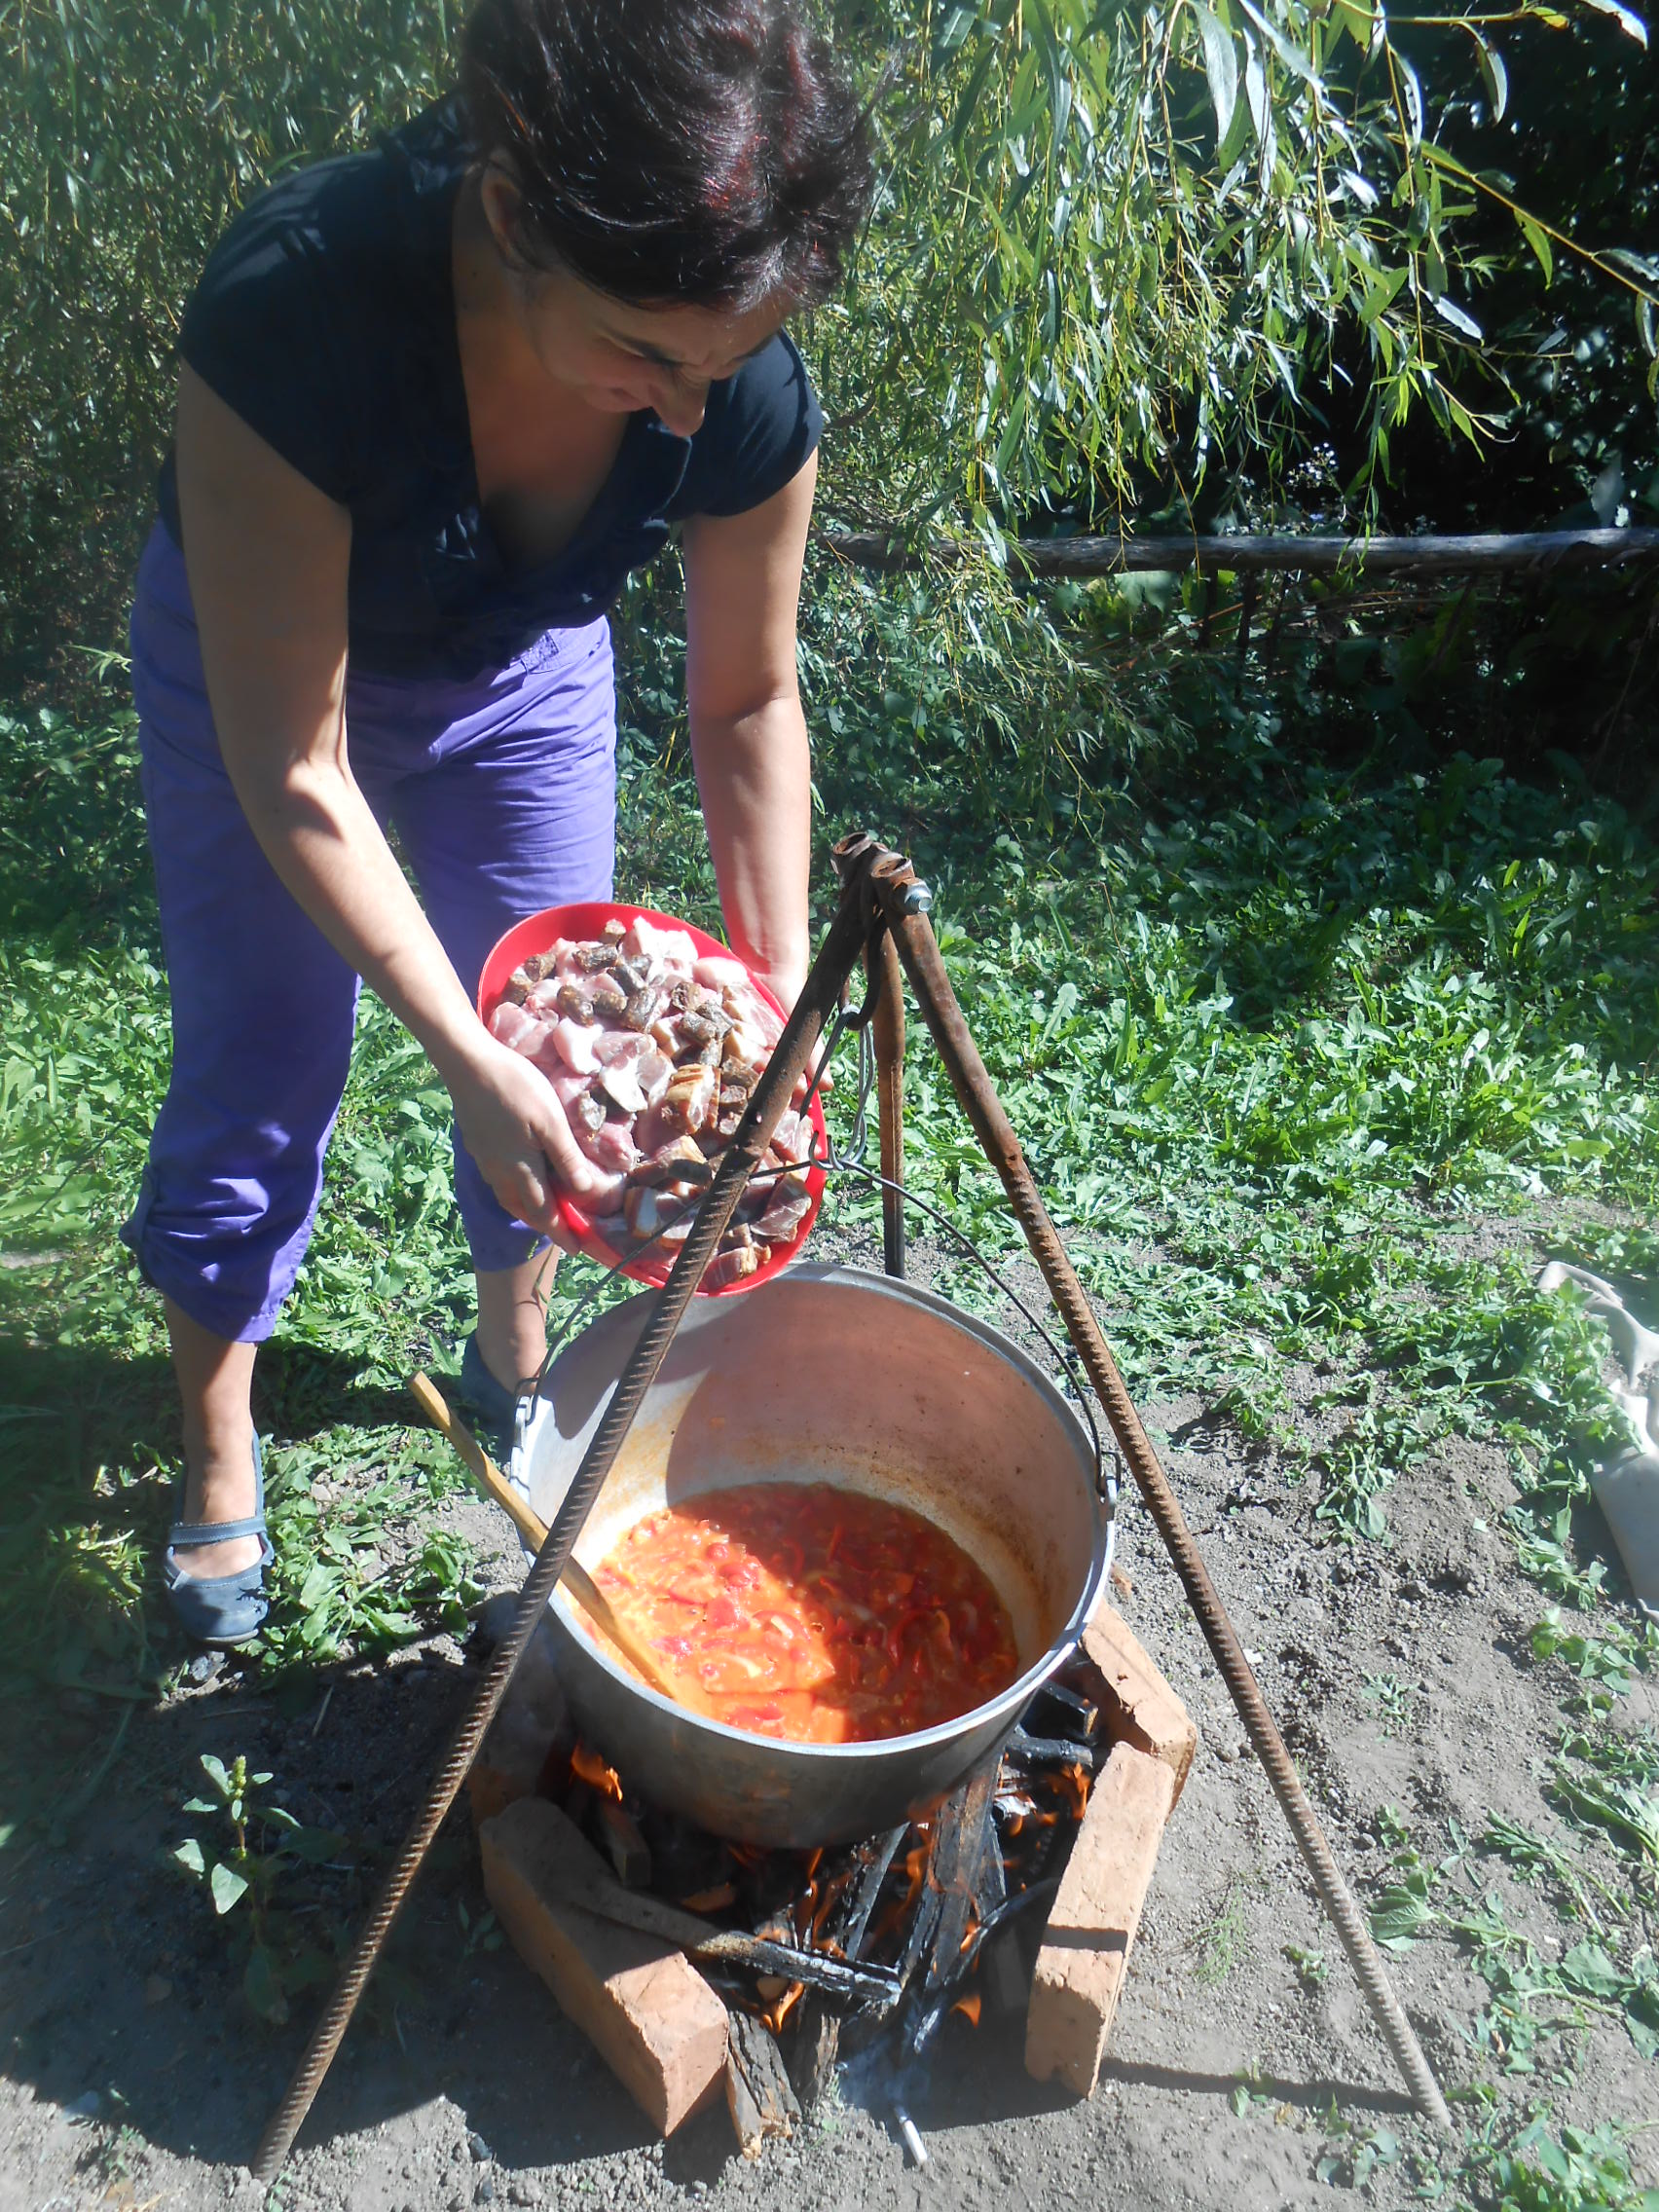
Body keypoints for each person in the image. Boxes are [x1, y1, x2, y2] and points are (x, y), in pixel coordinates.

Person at [123, 0, 873, 1645]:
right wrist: (454, 1052)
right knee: (262, 1053)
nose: (685, 416)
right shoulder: (297, 305)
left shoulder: (731, 385)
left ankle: (517, 1355)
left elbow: (748, 704)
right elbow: (298, 760)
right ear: (517, 211)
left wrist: (779, 999)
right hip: (265, 673)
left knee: (559, 1049)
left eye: (723, 365)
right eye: (647, 356)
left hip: (518, 663)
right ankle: (219, 1437)